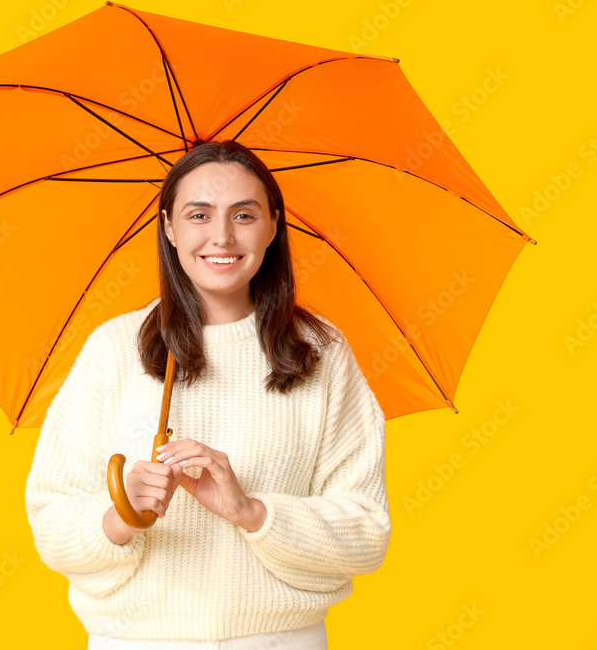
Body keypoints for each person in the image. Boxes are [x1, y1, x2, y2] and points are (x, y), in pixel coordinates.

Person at [25, 140, 390, 649]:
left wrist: (252, 512)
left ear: (273, 225)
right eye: (199, 214)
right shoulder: (113, 349)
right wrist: (121, 515)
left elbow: (366, 531)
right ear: (170, 227)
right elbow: (51, 519)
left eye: (244, 214)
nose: (221, 236)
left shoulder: (321, 353)